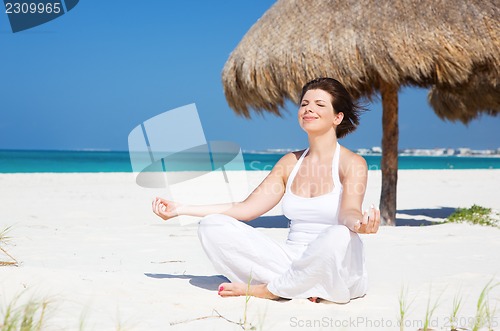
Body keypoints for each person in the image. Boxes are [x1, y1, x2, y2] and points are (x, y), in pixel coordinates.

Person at [152, 77, 380, 303]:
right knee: (212, 224)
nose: (309, 109)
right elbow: (246, 209)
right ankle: (299, 286)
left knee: (339, 233)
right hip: (289, 261)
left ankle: (270, 289)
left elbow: (349, 212)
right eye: (304, 104)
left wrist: (359, 224)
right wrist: (182, 209)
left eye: (320, 104)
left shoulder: (352, 163)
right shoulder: (289, 163)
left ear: (337, 117)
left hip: (336, 263)